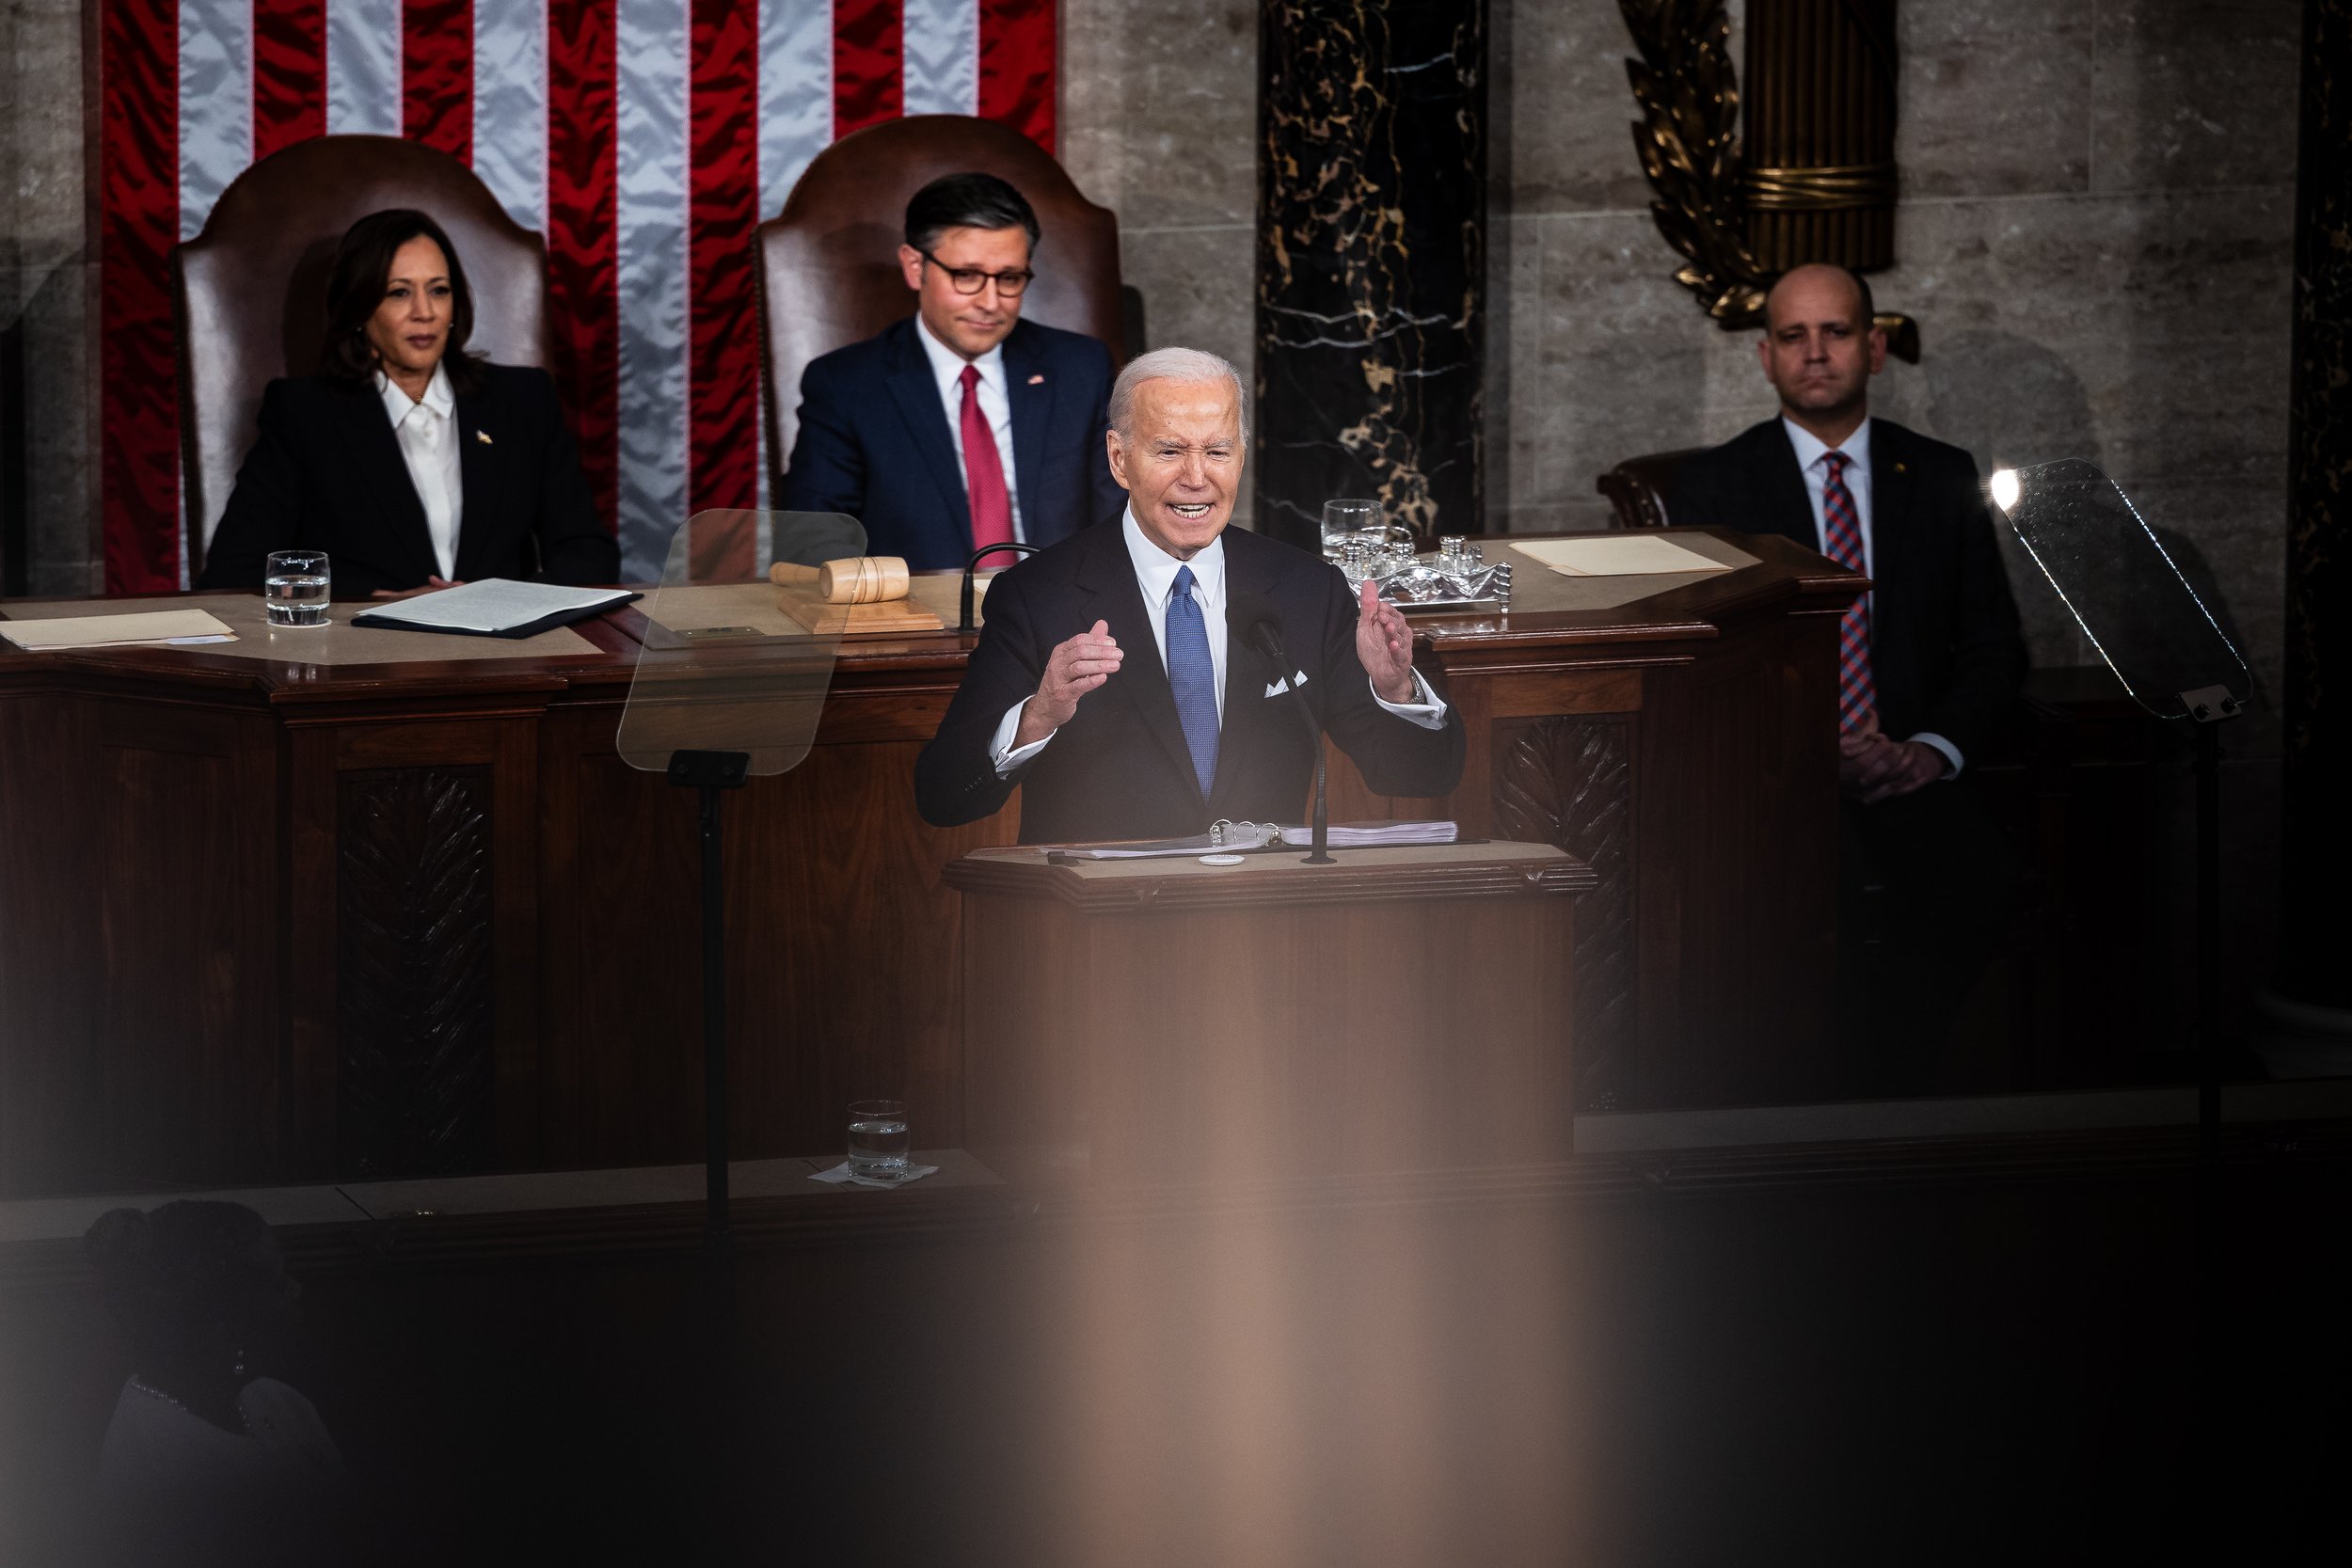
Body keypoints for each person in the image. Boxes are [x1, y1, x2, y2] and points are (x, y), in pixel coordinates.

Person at [1668, 262, 2029, 1092]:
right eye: (1793, 336)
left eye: (1835, 332)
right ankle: (1820, 1118)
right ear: (1765, 358)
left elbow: (1994, 644)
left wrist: (1929, 750)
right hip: (1779, 782)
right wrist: (1802, 747)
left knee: (1980, 887)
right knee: (1784, 917)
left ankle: (1892, 1100)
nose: (1815, 352)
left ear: (1874, 347)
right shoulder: (1716, 485)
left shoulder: (1941, 475)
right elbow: (1698, 656)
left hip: (1915, 770)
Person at [915, 347, 1465, 844]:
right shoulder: (1037, 597)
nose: (1197, 478)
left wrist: (1395, 690)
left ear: (1242, 457)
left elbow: (1421, 777)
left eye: (1218, 451)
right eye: (1170, 451)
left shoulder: (1306, 589)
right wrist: (1038, 715)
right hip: (1098, 927)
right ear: (1119, 459)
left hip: (1264, 921)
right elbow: (943, 798)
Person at [199, 208, 616, 598]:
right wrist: (377, 602)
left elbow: (588, 552)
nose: (425, 312)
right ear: (361, 309)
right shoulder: (304, 415)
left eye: (438, 290)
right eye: (399, 293)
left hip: (505, 659)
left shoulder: (522, 400)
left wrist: (501, 602)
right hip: (367, 662)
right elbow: (233, 573)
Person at [777, 172, 1125, 571]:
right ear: (914, 266)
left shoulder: (1079, 368)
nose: (991, 302)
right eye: (967, 276)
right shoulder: (846, 385)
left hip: (1063, 618)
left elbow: (1120, 518)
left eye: (1009, 278)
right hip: (912, 621)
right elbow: (810, 547)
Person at [83, 1201, 359, 1566]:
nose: (296, 1291)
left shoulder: (279, 1402)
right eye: (277, 1283)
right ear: (224, 1321)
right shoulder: (162, 1454)